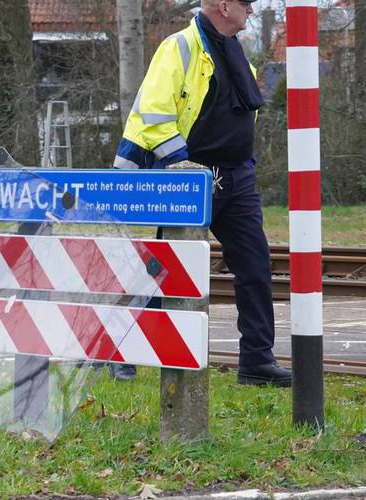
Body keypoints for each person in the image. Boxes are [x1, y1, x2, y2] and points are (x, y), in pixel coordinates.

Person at [112, 0, 291, 387]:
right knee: (164, 270)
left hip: (235, 176)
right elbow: (154, 116)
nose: (251, 10)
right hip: (188, 178)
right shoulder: (178, 47)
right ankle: (123, 351)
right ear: (224, 6)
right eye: (246, 3)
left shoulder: (235, 52)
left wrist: (243, 163)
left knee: (255, 266)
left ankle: (257, 362)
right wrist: (185, 169)